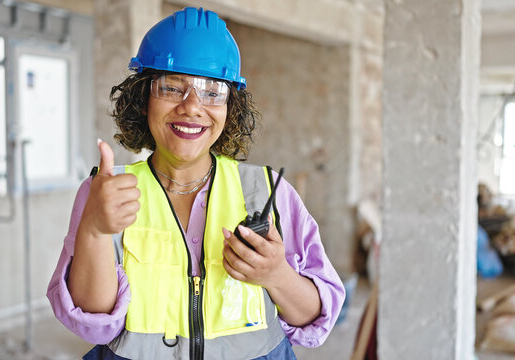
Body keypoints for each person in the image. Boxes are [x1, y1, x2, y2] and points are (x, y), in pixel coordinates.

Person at [47, 7, 345, 360]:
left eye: (212, 91)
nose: (191, 107)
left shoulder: (269, 191)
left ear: (230, 107)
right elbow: (94, 322)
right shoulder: (108, 190)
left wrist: (276, 275)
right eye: (172, 88)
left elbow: (314, 319)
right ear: (143, 99)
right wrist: (95, 230)